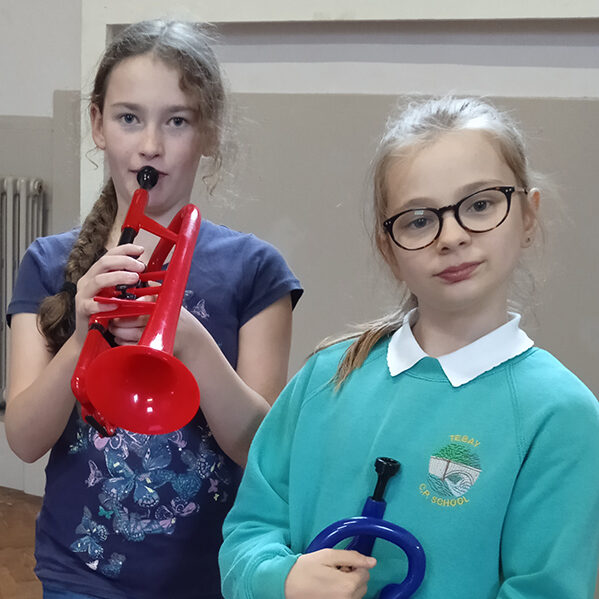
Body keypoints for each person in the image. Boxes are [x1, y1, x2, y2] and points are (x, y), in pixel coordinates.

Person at [218, 96, 599, 599]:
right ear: (389, 249)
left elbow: (546, 589)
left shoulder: (561, 415)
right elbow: (248, 533)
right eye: (419, 220)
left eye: (480, 205)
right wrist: (281, 580)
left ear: (528, 215)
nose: (452, 236)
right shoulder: (325, 377)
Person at [5, 20, 302, 599]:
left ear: (208, 132)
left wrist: (188, 340)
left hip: (213, 573)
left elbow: (262, 450)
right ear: (97, 124)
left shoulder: (256, 269)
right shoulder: (47, 263)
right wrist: (82, 332)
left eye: (178, 120)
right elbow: (23, 438)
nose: (150, 145)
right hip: (79, 573)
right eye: (128, 117)